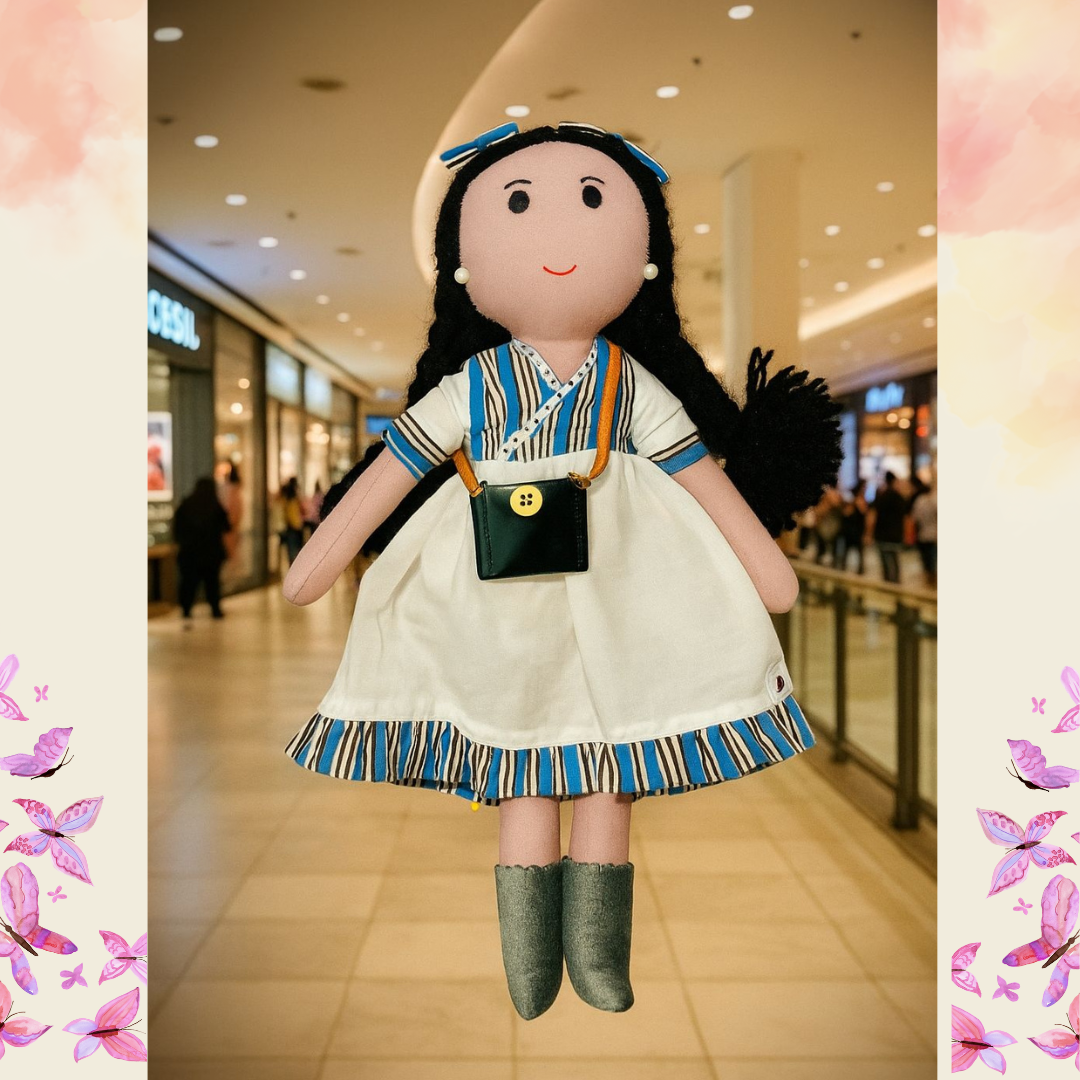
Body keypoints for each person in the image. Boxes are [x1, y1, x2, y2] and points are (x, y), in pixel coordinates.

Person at [280, 122, 840, 1020]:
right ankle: (531, 955)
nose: (557, 236)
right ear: (464, 265)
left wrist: (765, 568)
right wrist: (319, 561)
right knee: (526, 772)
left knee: (607, 771)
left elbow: (701, 477)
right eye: (518, 205)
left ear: (646, 260)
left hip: (621, 603)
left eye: (589, 201)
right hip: (499, 604)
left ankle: (598, 952)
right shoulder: (471, 385)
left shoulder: (630, 382)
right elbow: (391, 473)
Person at [173, 476, 231, 619]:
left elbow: (177, 529)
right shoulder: (215, 506)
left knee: (188, 583)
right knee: (212, 583)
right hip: (211, 553)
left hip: (189, 553)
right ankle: (215, 609)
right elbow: (227, 526)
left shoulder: (186, 504)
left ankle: (186, 610)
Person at [865, 470, 907, 583]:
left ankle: (888, 585)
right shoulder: (899, 497)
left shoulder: (881, 496)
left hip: (882, 535)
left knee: (886, 565)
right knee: (895, 563)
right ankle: (896, 586)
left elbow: (872, 516)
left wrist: (868, 533)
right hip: (896, 536)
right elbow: (905, 518)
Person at [836, 479, 868, 574]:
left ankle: (859, 569)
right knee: (847, 551)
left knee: (859, 552)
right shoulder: (853, 500)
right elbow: (846, 513)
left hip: (858, 530)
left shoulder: (862, 500)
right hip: (851, 530)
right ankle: (843, 567)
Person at [911, 479, 937, 587]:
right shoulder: (934, 500)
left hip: (923, 534)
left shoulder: (919, 501)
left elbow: (915, 518)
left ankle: (929, 578)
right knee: (932, 559)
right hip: (933, 534)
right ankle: (932, 579)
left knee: (926, 559)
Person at [280, 478, 304, 565]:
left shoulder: (286, 498)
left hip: (291, 526)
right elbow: (301, 510)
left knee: (291, 552)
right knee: (297, 551)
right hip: (296, 526)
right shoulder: (295, 498)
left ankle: (293, 568)